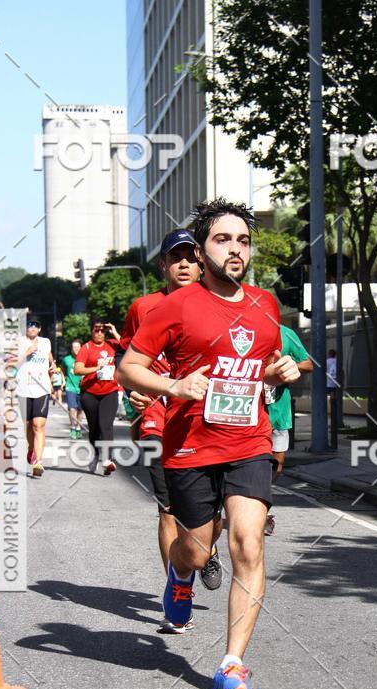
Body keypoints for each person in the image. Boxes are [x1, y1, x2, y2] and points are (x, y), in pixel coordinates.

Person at [119, 198, 301, 689]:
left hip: (249, 440)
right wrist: (173, 387)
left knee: (248, 542)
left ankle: (231, 666)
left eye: (243, 240)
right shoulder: (172, 307)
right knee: (197, 549)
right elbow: (129, 368)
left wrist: (278, 371)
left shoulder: (265, 302)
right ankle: (179, 575)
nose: (235, 249)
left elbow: (259, 364)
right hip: (191, 445)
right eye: (223, 240)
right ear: (201, 252)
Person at [119, 229, 223, 623]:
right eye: (174, 257)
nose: (183, 264)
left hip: (213, 423)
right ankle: (177, 587)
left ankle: (206, 548)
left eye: (190, 257)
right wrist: (132, 392)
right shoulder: (143, 307)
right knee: (167, 511)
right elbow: (126, 362)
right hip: (158, 420)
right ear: (162, 264)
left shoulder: (222, 303)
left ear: (202, 262)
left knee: (212, 514)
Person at [264, 325, 313, 535]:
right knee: (253, 464)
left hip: (279, 410)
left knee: (278, 465)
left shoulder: (286, 333)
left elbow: (308, 364)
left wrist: (288, 367)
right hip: (252, 413)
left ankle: (257, 503)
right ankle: (260, 512)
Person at [74, 319, 121, 475]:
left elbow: (129, 349)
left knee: (106, 425)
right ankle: (95, 454)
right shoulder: (86, 348)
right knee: (94, 428)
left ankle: (108, 460)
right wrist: (96, 368)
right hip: (90, 393)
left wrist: (114, 331)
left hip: (110, 391)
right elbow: (77, 369)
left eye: (102, 330)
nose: (100, 333)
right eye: (96, 330)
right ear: (91, 331)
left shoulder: (113, 344)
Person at [16, 315, 54, 478]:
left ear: (39, 329)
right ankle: (31, 448)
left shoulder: (45, 342)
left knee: (38, 425)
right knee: (28, 425)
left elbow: (50, 359)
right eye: (29, 324)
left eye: (35, 325)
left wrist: (53, 369)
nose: (32, 327)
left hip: (42, 389)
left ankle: (38, 462)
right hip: (22, 389)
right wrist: (27, 353)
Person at [61, 339, 83, 439]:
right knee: (72, 408)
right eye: (74, 347)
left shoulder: (84, 358)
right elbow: (62, 370)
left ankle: (78, 427)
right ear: (71, 349)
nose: (76, 349)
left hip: (82, 388)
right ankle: (72, 427)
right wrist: (63, 380)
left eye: (78, 347)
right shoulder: (67, 359)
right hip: (70, 387)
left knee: (80, 409)